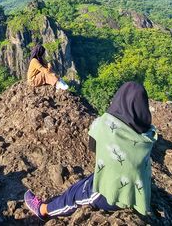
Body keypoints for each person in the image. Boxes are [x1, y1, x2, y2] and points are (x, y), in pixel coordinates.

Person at [24, 82, 157, 219]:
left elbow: (93, 147)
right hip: (138, 192)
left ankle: (44, 210)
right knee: (87, 181)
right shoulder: (148, 133)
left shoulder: (105, 123)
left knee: (74, 197)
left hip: (113, 196)